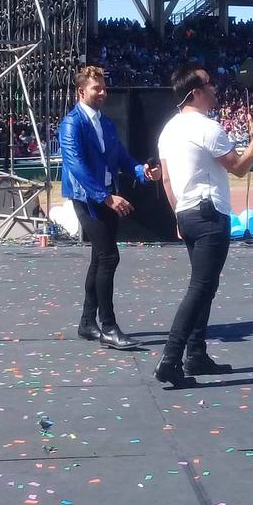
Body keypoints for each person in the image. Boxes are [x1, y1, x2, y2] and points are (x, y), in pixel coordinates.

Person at [156, 63, 253, 388]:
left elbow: (167, 180)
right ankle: (171, 359)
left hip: (188, 213)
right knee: (201, 287)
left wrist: (178, 214)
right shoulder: (208, 128)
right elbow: (240, 167)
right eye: (209, 84)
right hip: (209, 214)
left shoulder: (169, 130)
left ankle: (196, 354)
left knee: (204, 284)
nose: (215, 88)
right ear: (196, 92)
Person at [59, 65, 161, 350]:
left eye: (104, 88)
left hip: (105, 196)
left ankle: (87, 323)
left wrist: (142, 172)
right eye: (97, 88)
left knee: (99, 258)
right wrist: (106, 197)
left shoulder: (105, 123)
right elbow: (76, 166)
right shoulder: (71, 124)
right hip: (87, 198)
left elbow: (121, 159)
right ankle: (109, 326)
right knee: (108, 257)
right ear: (81, 92)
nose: (103, 92)